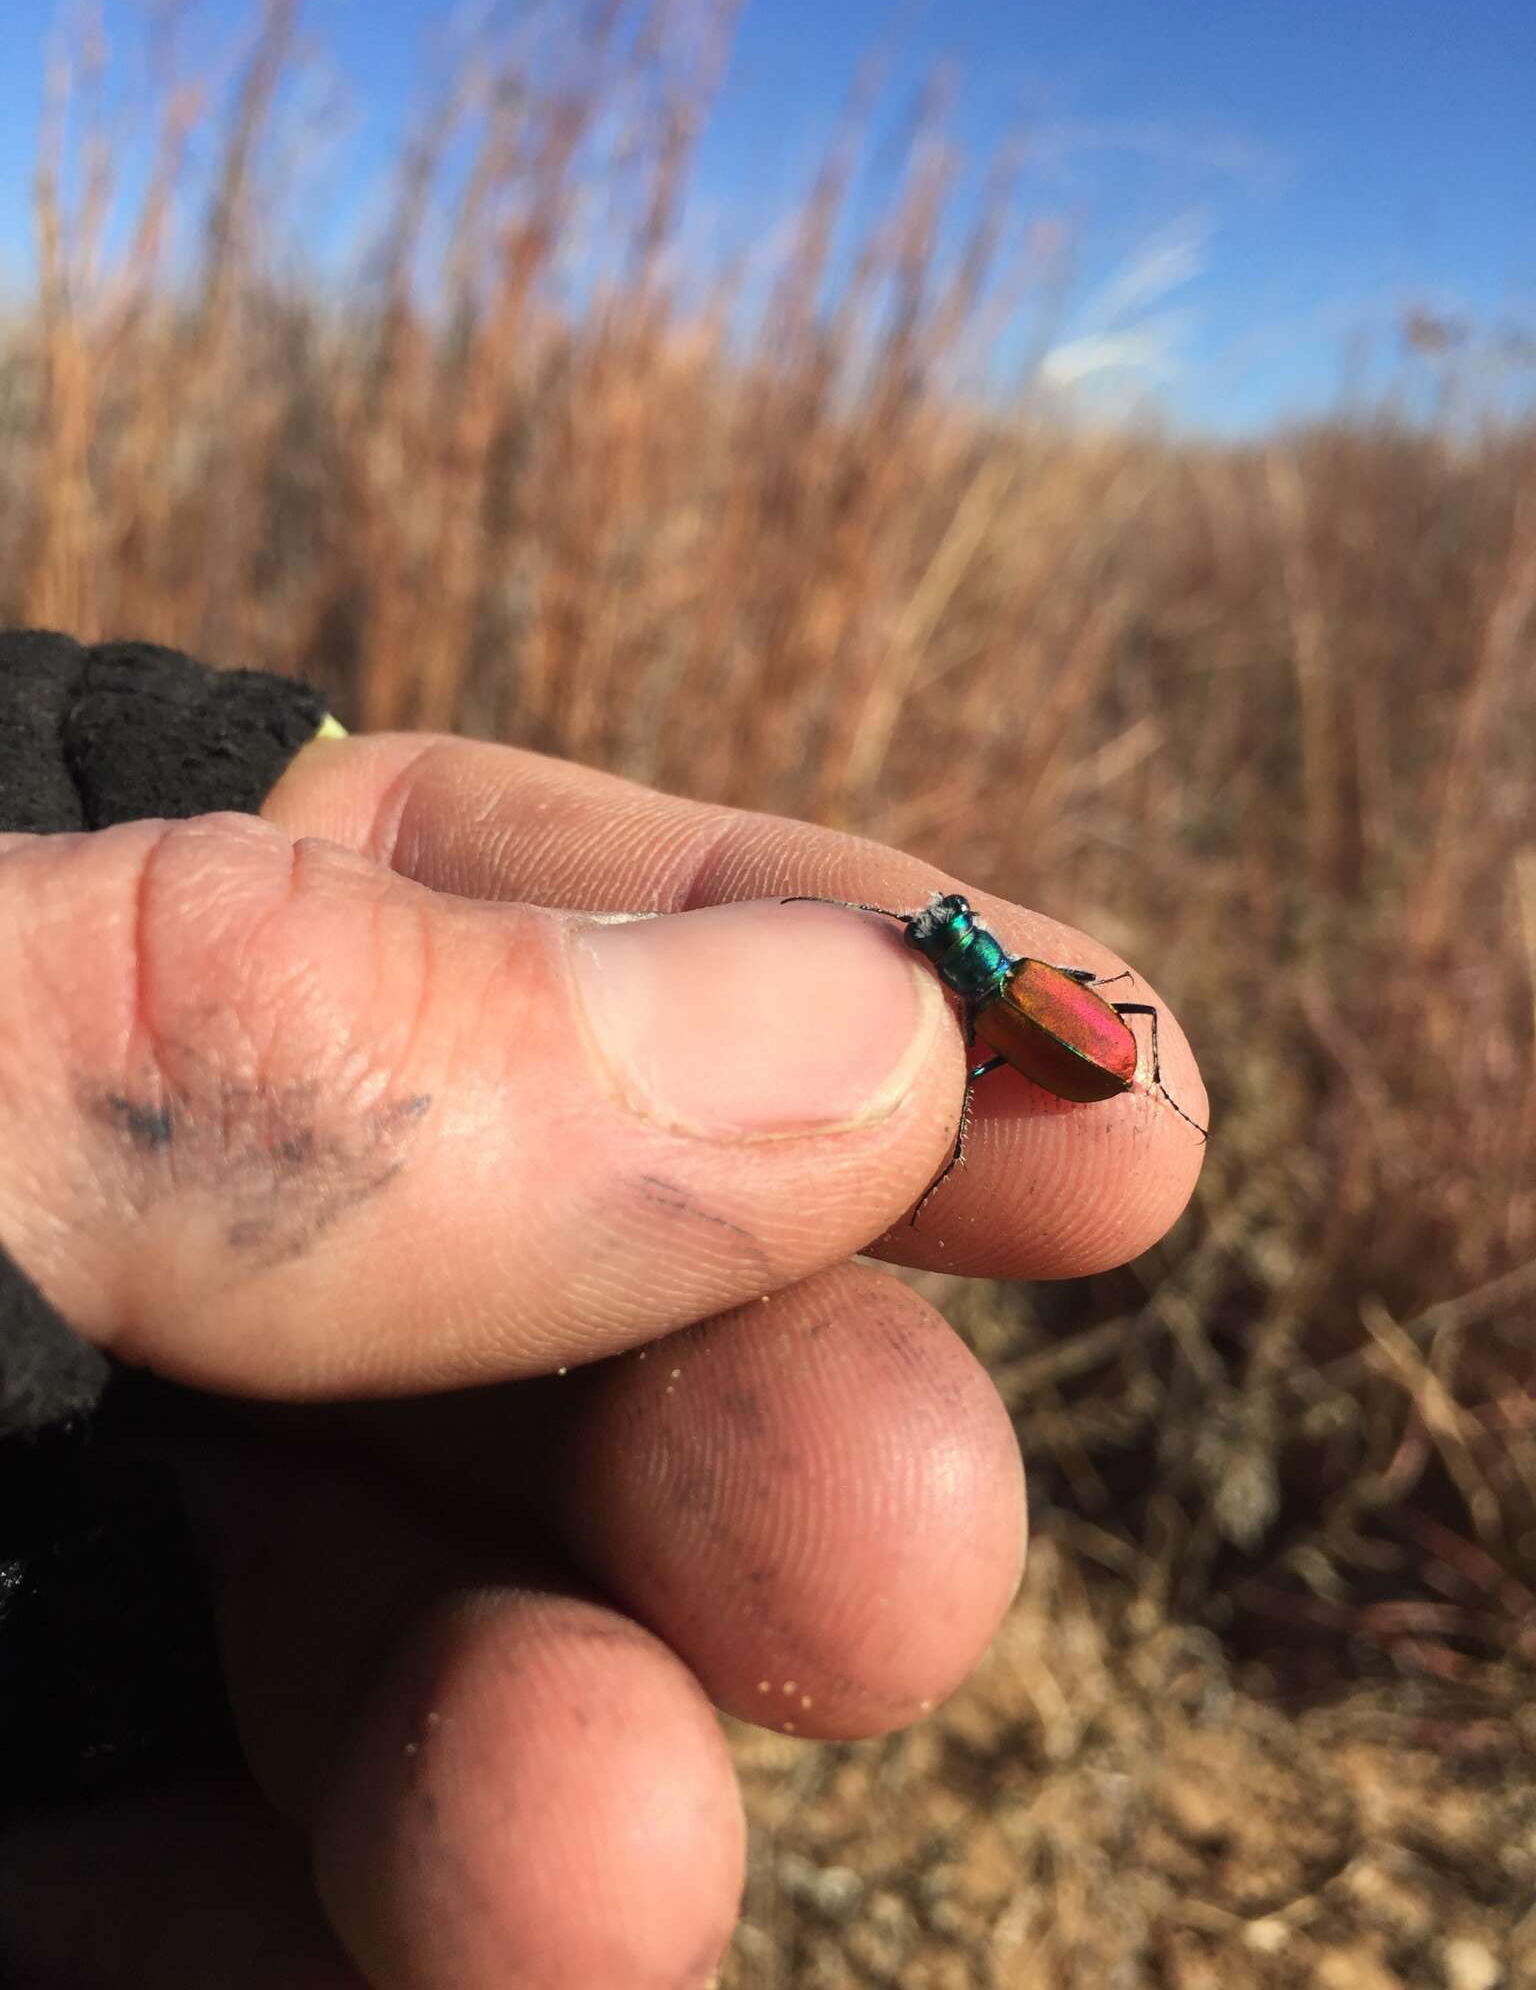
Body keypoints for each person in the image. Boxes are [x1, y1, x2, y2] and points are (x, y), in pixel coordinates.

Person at [0, 725, 1204, 1988]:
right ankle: (1158, 1101)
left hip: (1064, 1043)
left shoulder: (998, 1002)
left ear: (954, 962)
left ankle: (1151, 1101)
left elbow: (1059, 1038)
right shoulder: (1013, 994)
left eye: (932, 934)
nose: (930, 933)